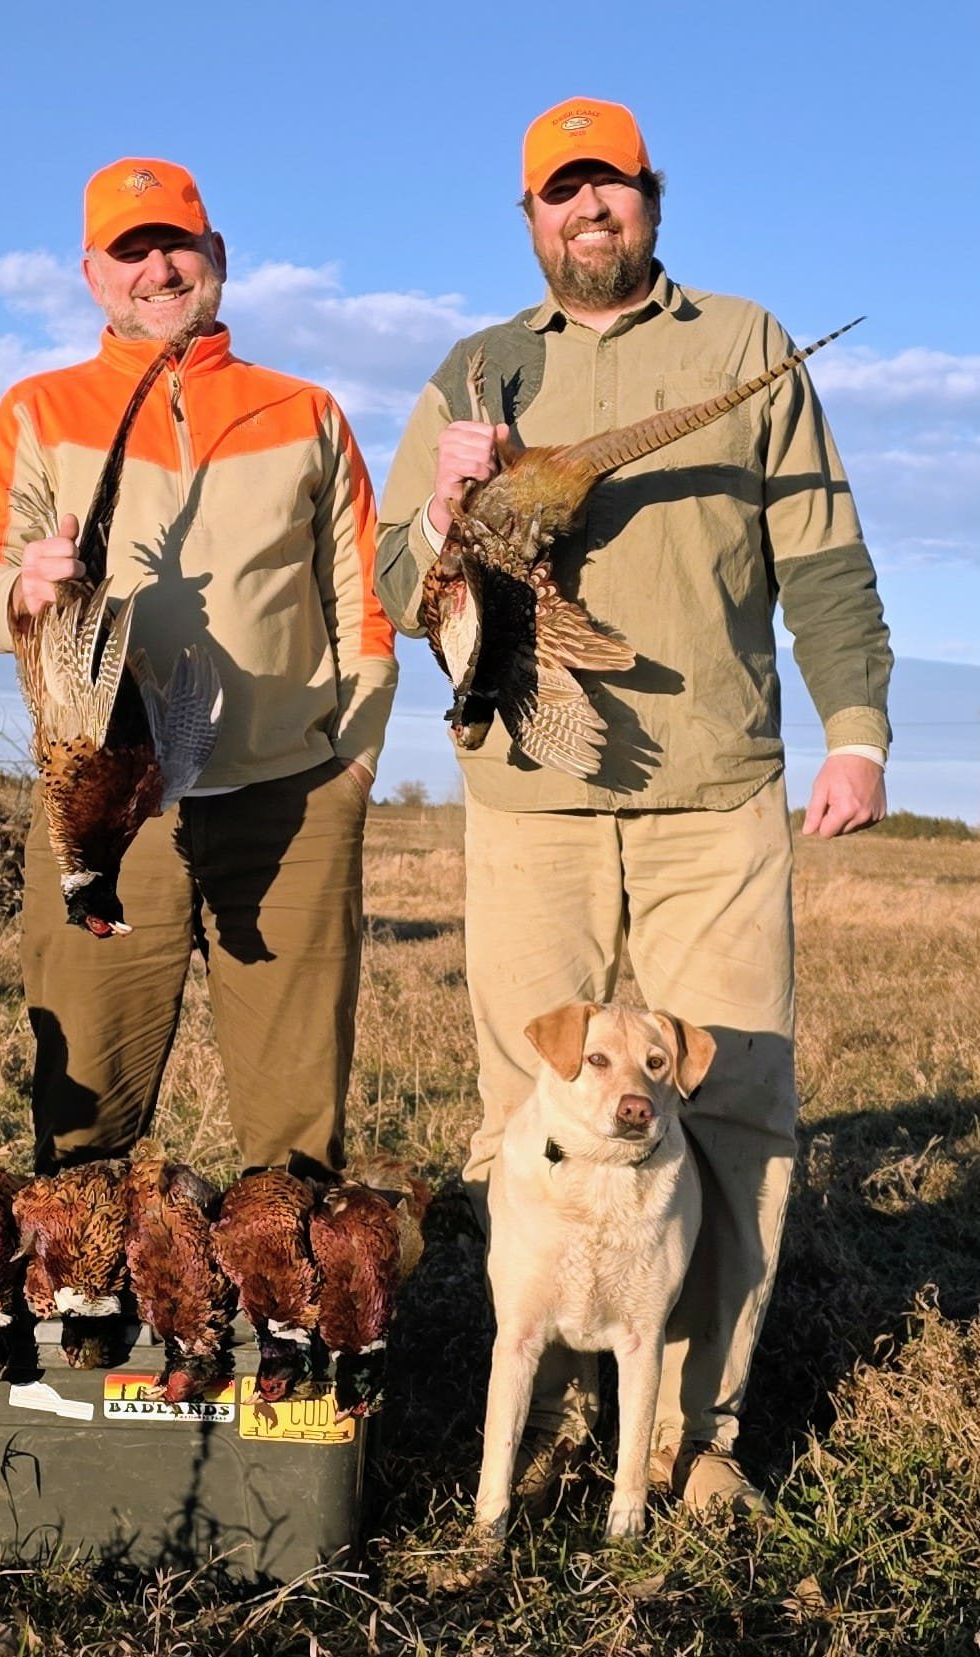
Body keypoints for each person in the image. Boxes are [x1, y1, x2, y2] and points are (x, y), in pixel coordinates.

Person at [375, 98, 891, 1516]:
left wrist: (852, 730)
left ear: (647, 201)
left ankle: (692, 1429)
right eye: (558, 192)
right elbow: (385, 584)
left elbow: (823, 554)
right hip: (528, 799)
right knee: (527, 1106)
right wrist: (438, 509)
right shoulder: (476, 368)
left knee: (729, 1110)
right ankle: (538, 1400)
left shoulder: (739, 345)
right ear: (530, 217)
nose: (583, 210)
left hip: (709, 791)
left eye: (606, 187)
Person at [0, 158, 396, 1175]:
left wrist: (352, 767)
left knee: (295, 1129)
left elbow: (362, 605)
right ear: (93, 277)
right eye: (130, 251)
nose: (158, 268)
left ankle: (294, 1313)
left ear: (217, 258)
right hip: (109, 807)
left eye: (176, 246)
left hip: (289, 798)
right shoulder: (38, 410)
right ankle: (92, 1310)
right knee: (85, 1106)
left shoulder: (308, 411)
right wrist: (24, 586)